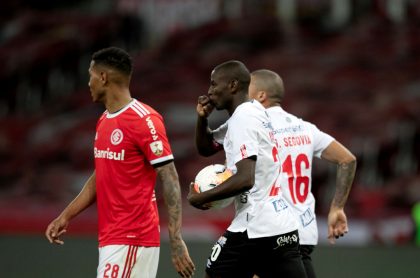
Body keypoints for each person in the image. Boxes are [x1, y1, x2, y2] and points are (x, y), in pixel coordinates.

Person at [45, 47, 195, 278]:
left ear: (103, 77)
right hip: (113, 239)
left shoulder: (145, 119)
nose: (88, 83)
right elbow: (103, 173)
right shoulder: (104, 120)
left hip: (133, 238)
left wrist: (175, 240)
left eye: (91, 75)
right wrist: (66, 215)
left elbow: (170, 175)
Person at [188, 60, 307, 278]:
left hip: (254, 226)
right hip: (281, 226)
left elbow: (245, 179)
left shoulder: (243, 118)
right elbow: (206, 148)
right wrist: (202, 118)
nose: (209, 91)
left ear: (232, 85)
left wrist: (202, 197)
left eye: (214, 85)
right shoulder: (251, 113)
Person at [248, 69, 357, 278]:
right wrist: (337, 208)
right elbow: (347, 159)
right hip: (303, 234)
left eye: (247, 89)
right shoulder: (305, 128)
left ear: (261, 95)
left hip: (271, 232)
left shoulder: (255, 129)